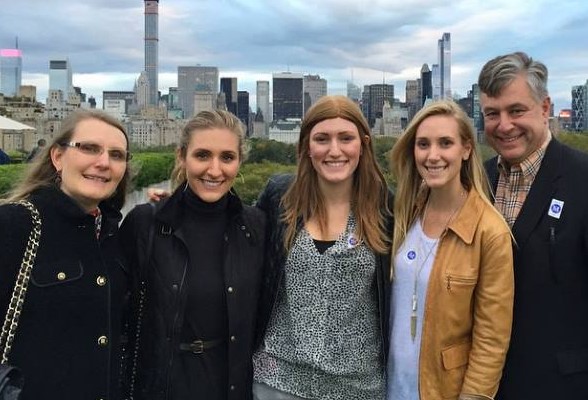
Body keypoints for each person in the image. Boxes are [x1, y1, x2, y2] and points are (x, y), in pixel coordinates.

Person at [252, 95, 393, 400]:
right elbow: (230, 231)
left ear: (364, 144)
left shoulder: (388, 208)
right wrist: (175, 204)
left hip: (358, 388)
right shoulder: (279, 197)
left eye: (346, 138)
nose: (334, 150)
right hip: (276, 382)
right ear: (306, 146)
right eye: (322, 139)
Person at [120, 110, 265, 400]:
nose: (214, 170)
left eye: (227, 157)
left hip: (230, 385)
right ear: (181, 157)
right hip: (161, 386)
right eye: (202, 156)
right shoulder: (145, 223)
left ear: (239, 161)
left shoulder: (256, 226)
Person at [0, 109, 132, 399]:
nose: (103, 163)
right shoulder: (14, 224)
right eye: (89, 148)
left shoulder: (113, 235)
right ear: (58, 157)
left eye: (117, 155)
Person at [479, 51, 588, 399]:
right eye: (492, 114)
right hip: (485, 384)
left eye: (516, 110)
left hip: (562, 384)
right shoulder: (476, 181)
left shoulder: (582, 179)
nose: (504, 125)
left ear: (544, 108)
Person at [388, 100, 514, 400]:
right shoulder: (405, 211)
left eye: (445, 143)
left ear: (466, 149)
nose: (433, 156)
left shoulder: (490, 233)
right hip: (387, 386)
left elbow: (491, 341)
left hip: (443, 390)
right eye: (423, 144)